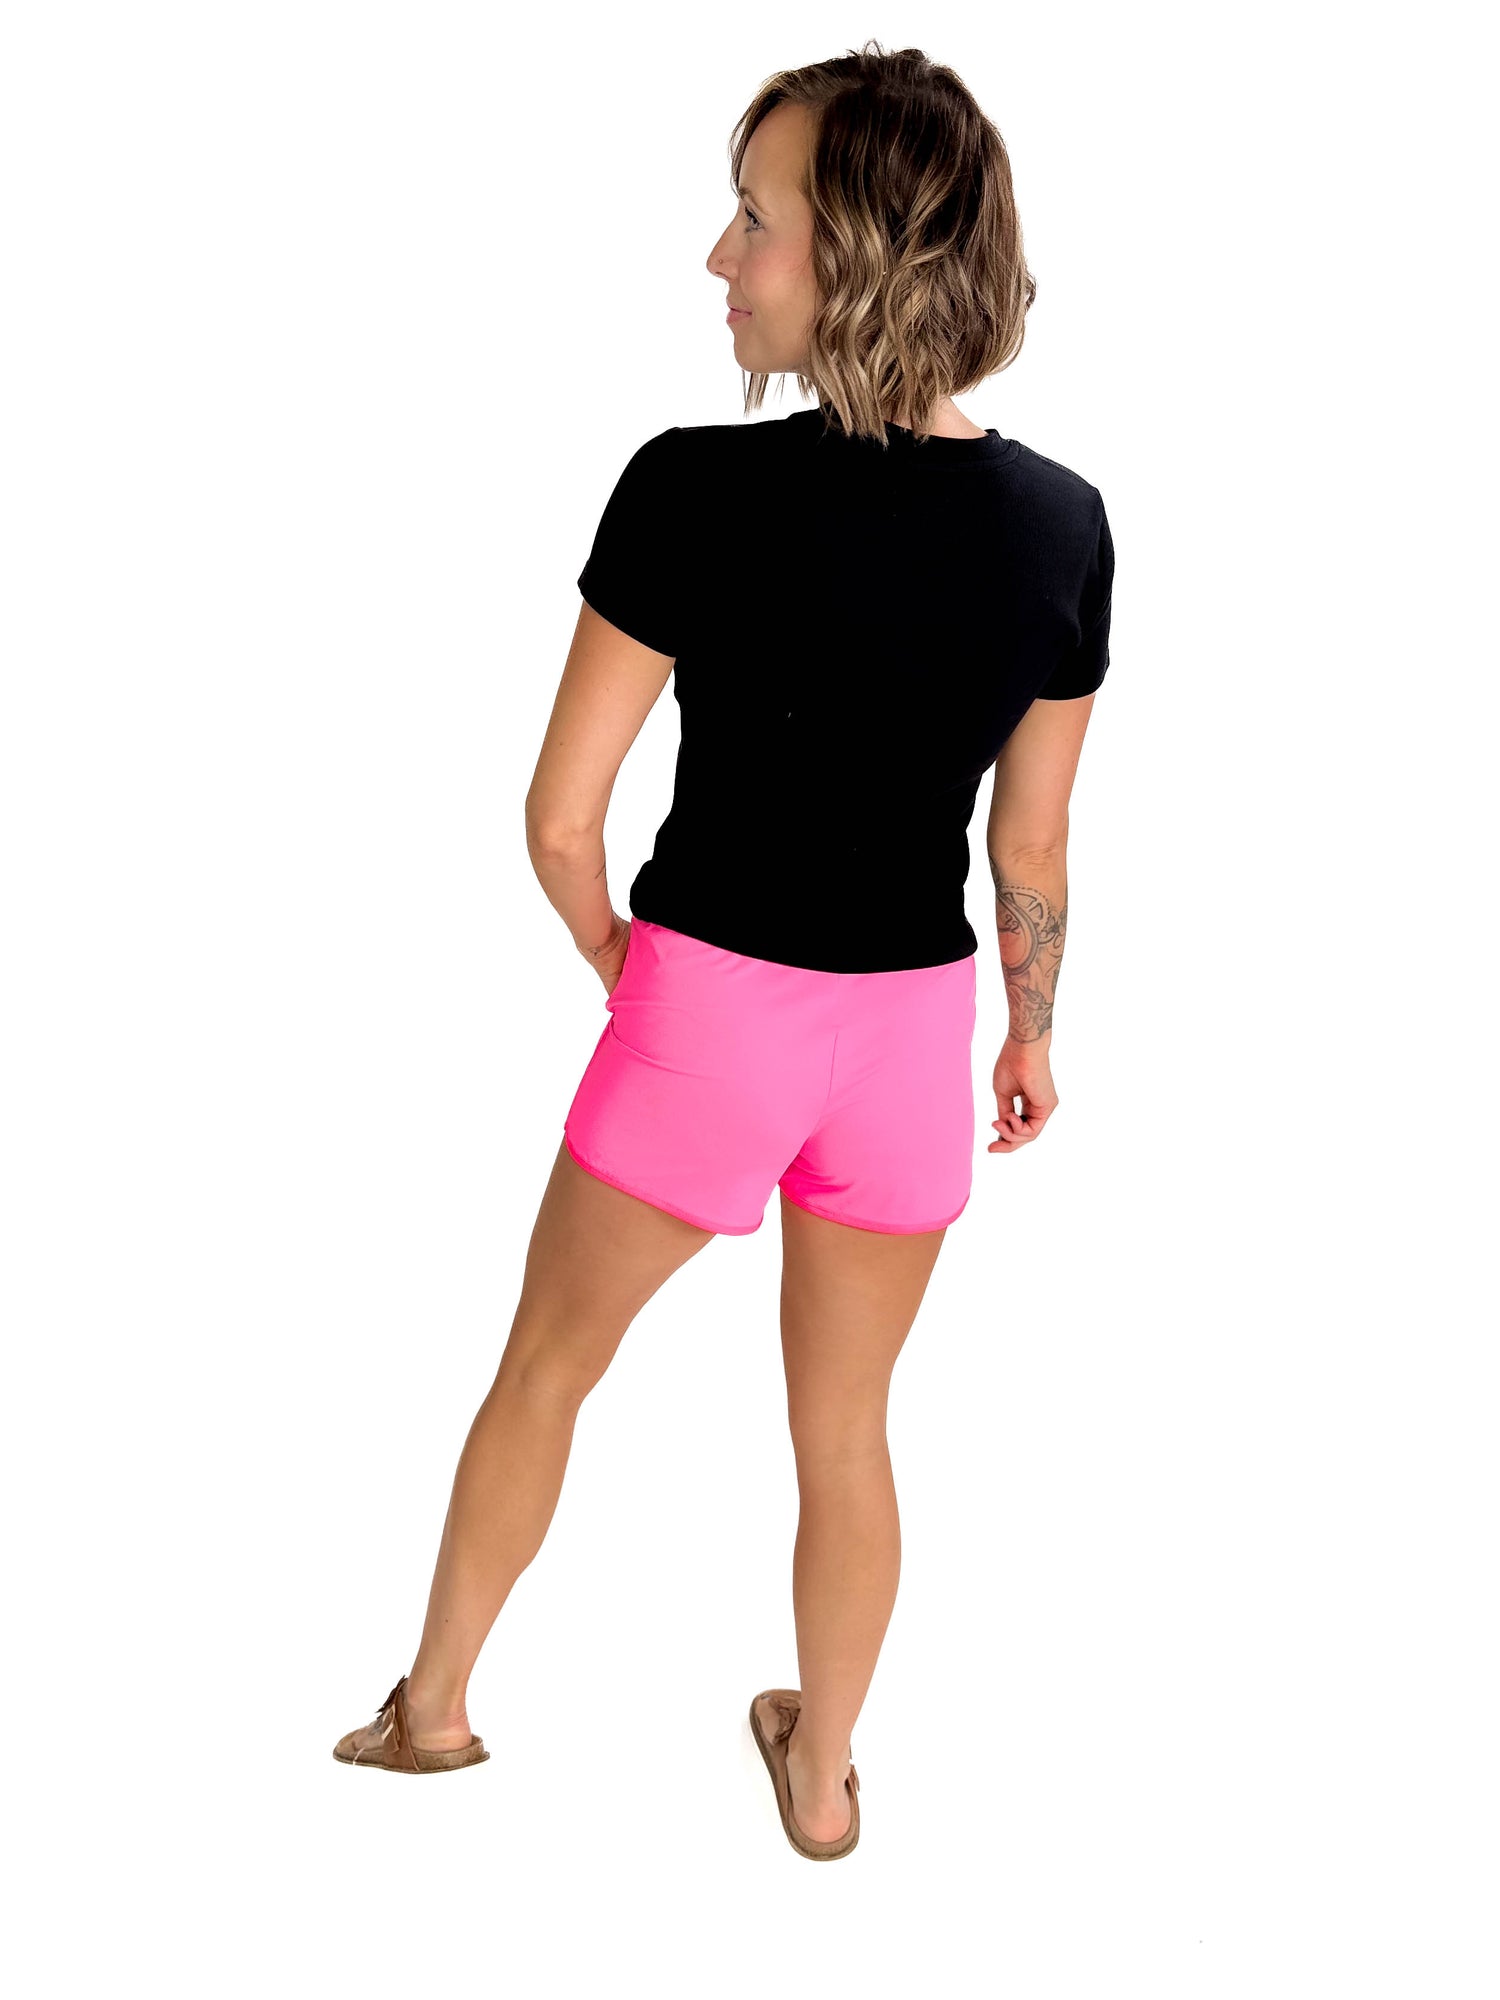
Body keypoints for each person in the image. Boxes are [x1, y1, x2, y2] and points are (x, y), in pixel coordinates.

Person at [333, 42, 1114, 1862]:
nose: (719, 257)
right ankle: (823, 1782)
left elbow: (558, 818)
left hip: (707, 1012)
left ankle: (433, 1713)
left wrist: (621, 960)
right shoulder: (1063, 526)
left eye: (754, 219)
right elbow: (1030, 843)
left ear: (857, 251)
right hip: (912, 1037)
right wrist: (1032, 1033)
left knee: (548, 1366)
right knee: (846, 1434)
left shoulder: (688, 487)